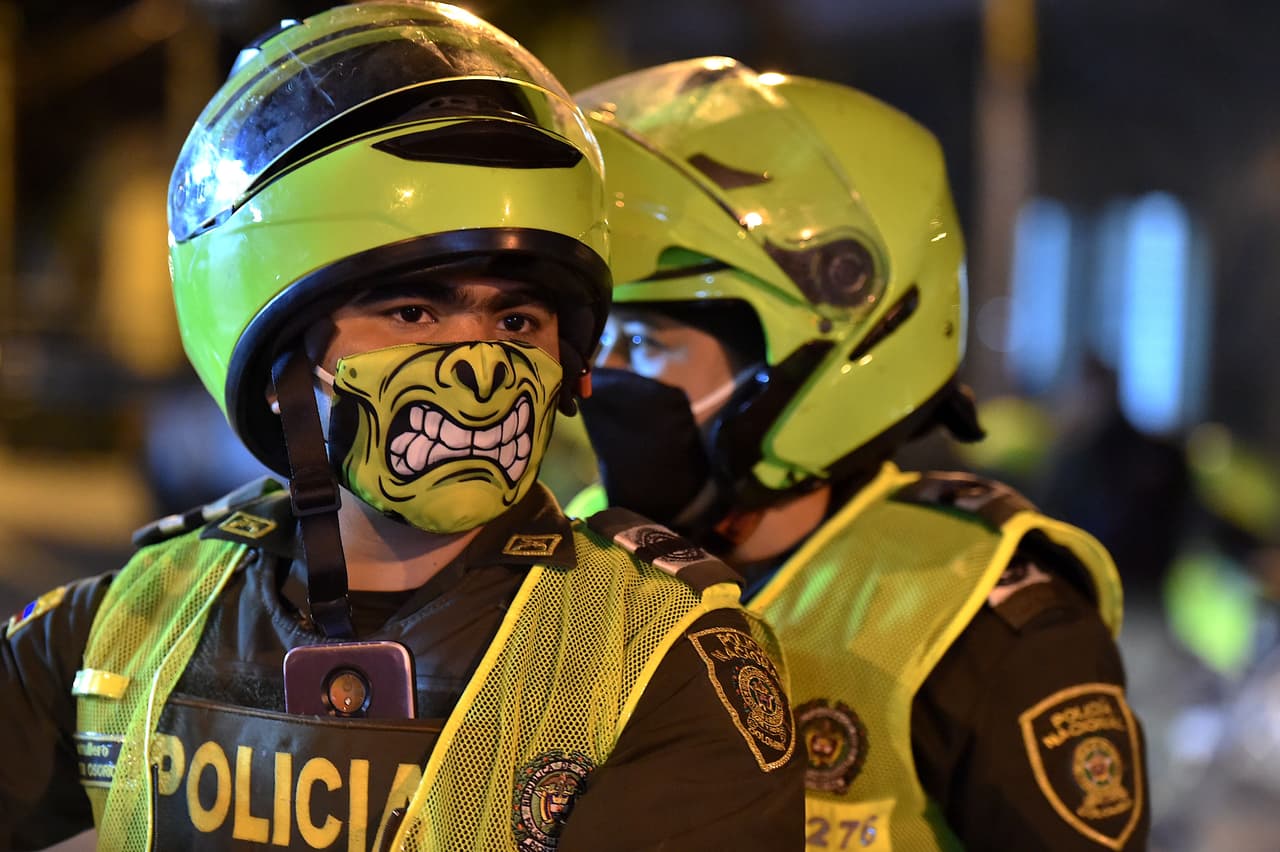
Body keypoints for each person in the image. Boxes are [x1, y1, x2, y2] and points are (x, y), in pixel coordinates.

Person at [0, 11, 804, 851]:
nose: (480, 365)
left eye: (518, 321)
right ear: (274, 352)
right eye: (413, 312)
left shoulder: (658, 660)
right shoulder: (136, 620)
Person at [570, 58, 1149, 850]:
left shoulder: (978, 627)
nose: (606, 379)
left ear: (821, 353)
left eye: (645, 341)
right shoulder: (573, 560)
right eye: (601, 340)